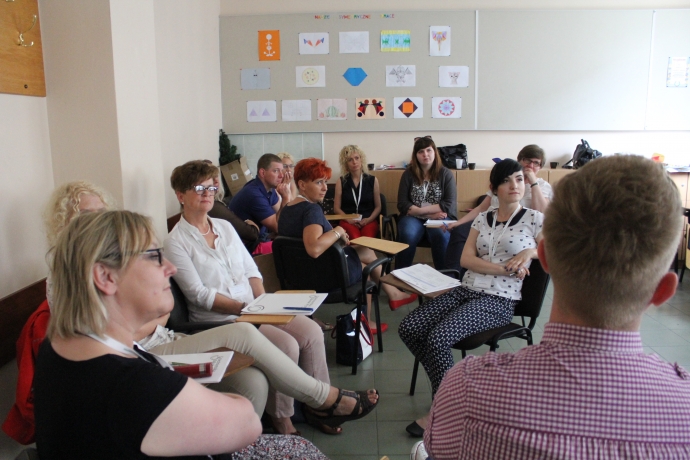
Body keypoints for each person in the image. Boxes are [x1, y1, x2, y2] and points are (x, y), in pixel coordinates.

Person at [424, 155, 690, 459]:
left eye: (519, 179)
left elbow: (434, 450)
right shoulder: (684, 412)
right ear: (663, 291)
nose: (515, 185)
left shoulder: (467, 387)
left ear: (547, 259)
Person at [32, 210, 345, 459]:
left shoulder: (60, 346)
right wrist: (197, 396)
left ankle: (321, 400)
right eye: (154, 256)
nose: (169, 268)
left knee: (256, 381)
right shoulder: (130, 384)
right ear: (105, 276)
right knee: (301, 450)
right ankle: (324, 400)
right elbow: (248, 422)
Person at [165, 160, 364, 435]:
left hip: (253, 308)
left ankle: (319, 408)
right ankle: (282, 417)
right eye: (199, 188)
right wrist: (246, 309)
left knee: (311, 332)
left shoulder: (223, 226)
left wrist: (263, 305)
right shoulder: (175, 242)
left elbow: (251, 270)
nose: (208, 193)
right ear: (180, 195)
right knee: (287, 345)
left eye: (211, 187)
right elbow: (199, 295)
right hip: (223, 319)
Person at [399, 159, 543, 438]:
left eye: (519, 179)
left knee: (438, 339)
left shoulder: (534, 218)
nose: (514, 185)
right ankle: (455, 391)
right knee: (410, 327)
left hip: (499, 300)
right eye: (506, 180)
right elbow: (466, 260)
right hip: (467, 289)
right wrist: (505, 268)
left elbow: (553, 248)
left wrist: (530, 252)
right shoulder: (482, 218)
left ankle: (444, 408)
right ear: (494, 188)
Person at [278, 158, 416, 334]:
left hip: (298, 277)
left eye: (325, 182)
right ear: (302, 185)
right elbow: (314, 248)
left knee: (365, 254)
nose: (325, 188)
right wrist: (338, 231)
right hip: (324, 278)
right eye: (319, 182)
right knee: (366, 266)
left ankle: (391, 296)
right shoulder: (311, 210)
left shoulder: (286, 210)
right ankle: (375, 314)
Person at [444, 144, 553, 273]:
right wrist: (458, 222)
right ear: (519, 160)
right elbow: (481, 208)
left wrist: (533, 182)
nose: (531, 166)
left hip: (517, 226)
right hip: (489, 220)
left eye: (536, 163)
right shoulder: (502, 181)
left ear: (540, 167)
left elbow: (541, 213)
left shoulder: (542, 186)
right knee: (460, 231)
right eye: (527, 160)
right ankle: (452, 274)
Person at [43, 181, 116, 307]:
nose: (98, 220)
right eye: (85, 215)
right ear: (65, 222)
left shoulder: (107, 249)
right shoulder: (66, 262)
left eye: (101, 212)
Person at [396, 136, 457, 270]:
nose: (425, 154)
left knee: (440, 235)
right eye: (421, 152)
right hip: (414, 218)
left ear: (435, 152)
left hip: (439, 217)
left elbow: (448, 204)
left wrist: (420, 211)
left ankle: (444, 276)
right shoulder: (408, 174)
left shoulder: (446, 174)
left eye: (429, 150)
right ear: (416, 155)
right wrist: (427, 214)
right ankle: (400, 276)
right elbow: (402, 204)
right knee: (407, 234)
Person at [228, 153, 292, 253]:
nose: (281, 175)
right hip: (245, 247)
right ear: (262, 173)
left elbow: (287, 218)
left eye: (281, 170)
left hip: (261, 237)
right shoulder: (253, 194)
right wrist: (286, 197)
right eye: (276, 171)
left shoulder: (269, 189)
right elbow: (278, 227)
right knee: (290, 248)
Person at [205, 160, 261, 253]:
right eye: (210, 177)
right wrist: (250, 223)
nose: (216, 181)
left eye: (216, 176)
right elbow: (252, 234)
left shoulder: (216, 204)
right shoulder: (213, 207)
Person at [334, 145, 382, 239]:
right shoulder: (341, 181)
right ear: (346, 163)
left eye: (357, 158)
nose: (354, 162)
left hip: (368, 220)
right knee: (355, 238)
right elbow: (336, 208)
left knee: (367, 240)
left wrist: (368, 220)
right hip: (348, 220)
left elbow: (378, 207)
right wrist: (348, 219)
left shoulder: (372, 180)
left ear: (361, 159)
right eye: (350, 160)